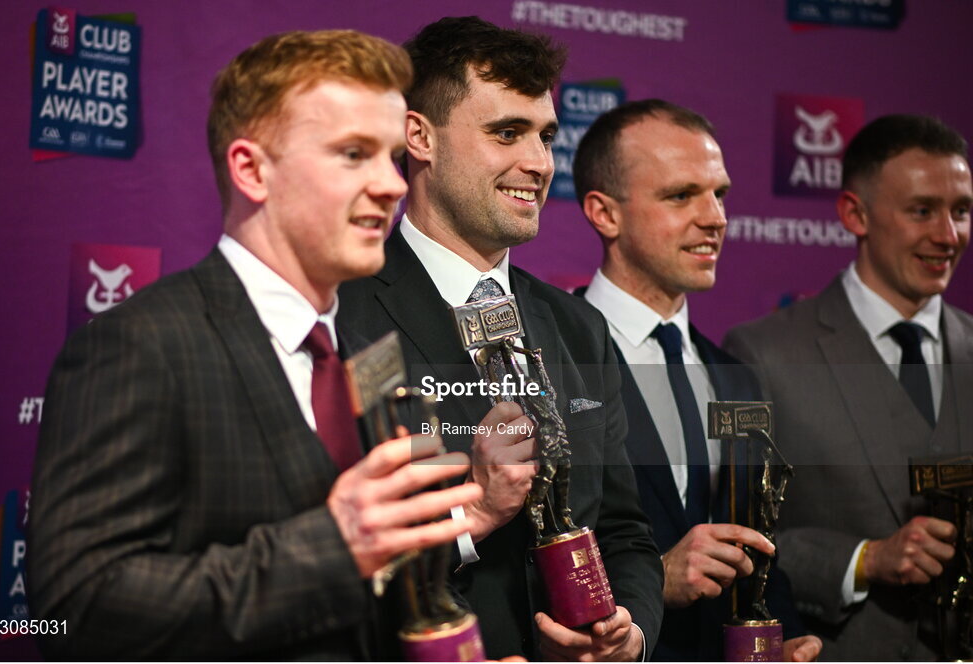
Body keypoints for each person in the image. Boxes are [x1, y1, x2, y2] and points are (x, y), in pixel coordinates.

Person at [26, 30, 482, 660]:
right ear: (251, 170)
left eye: (390, 156)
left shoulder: (372, 349)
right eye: (354, 154)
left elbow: (404, 582)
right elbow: (69, 610)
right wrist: (334, 544)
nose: (393, 184)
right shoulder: (140, 345)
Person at [337, 16, 663, 662]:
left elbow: (625, 533)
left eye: (545, 137)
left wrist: (629, 632)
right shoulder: (344, 315)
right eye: (506, 133)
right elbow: (325, 552)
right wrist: (472, 518)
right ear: (419, 136)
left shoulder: (577, 326)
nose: (539, 164)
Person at [572, 99, 821, 662]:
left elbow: (756, 542)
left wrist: (781, 640)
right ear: (604, 213)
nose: (715, 218)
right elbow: (524, 560)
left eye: (720, 194)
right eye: (681, 195)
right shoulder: (554, 362)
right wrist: (652, 579)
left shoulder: (735, 375)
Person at [724, 114, 973, 660]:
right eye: (922, 211)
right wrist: (865, 559)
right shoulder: (760, 354)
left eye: (961, 211)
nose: (948, 236)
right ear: (854, 214)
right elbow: (737, 538)